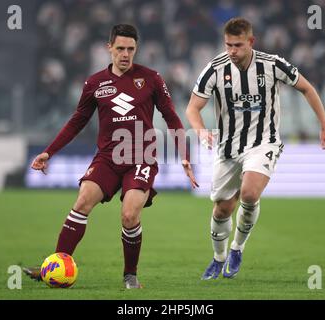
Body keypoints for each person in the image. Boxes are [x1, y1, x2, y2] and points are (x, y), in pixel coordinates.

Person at [24, 24, 198, 289]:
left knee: (129, 215)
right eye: (120, 49)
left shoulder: (151, 78)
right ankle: (55, 265)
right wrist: (50, 151)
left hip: (142, 157)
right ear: (109, 48)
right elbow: (77, 121)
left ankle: (130, 275)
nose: (125, 54)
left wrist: (184, 154)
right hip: (107, 157)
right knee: (82, 202)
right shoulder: (94, 83)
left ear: (136, 49)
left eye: (130, 49)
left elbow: (172, 117)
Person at [185, 18, 325, 280]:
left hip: (264, 142)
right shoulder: (215, 68)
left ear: (251, 42)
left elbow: (307, 88)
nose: (232, 51)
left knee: (250, 193)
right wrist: (200, 130)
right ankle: (218, 258)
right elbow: (192, 108)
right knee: (222, 210)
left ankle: (237, 249)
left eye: (238, 45)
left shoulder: (273, 64)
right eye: (228, 45)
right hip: (228, 148)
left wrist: (324, 126)